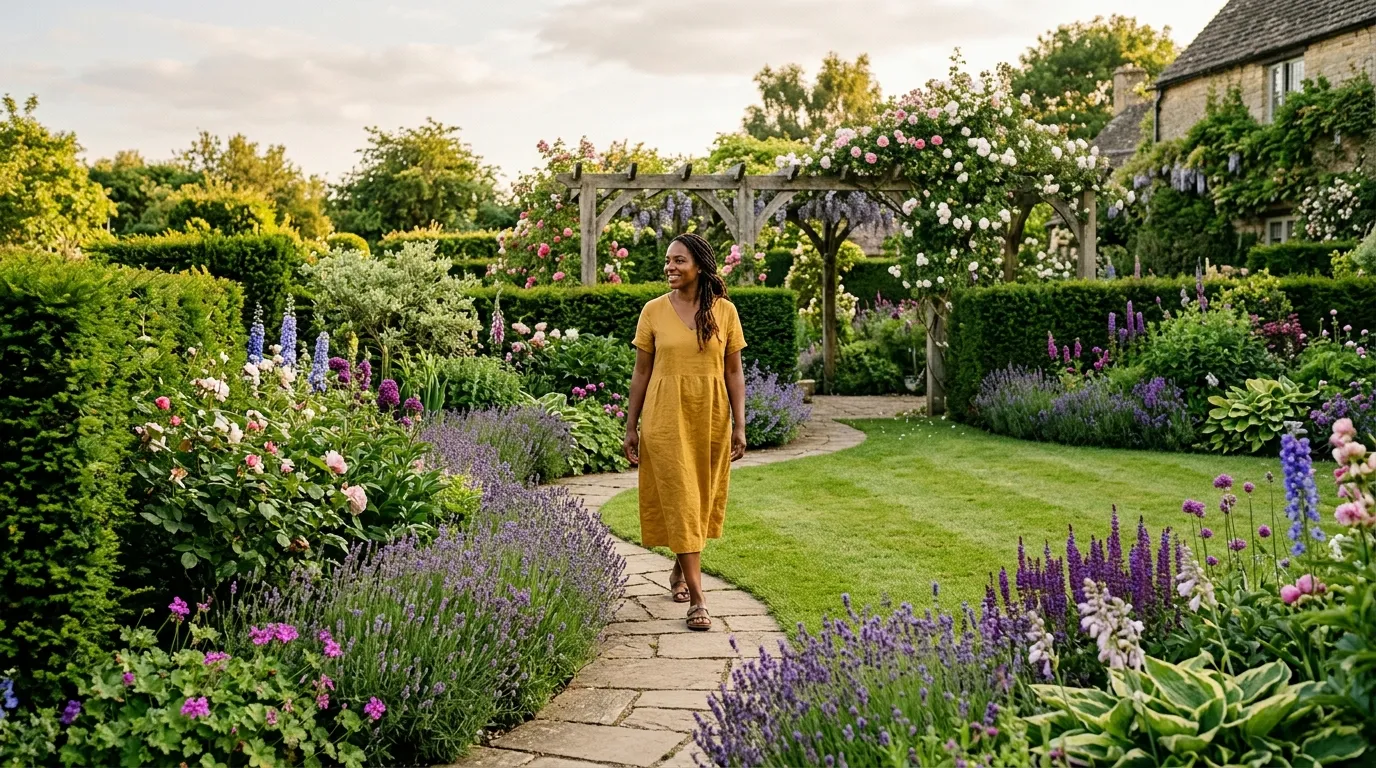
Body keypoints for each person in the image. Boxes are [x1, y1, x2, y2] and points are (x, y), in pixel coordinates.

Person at [622, 232, 747, 631]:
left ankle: (678, 571)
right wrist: (631, 425)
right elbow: (641, 372)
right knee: (680, 496)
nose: (670, 268)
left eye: (679, 261)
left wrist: (740, 425)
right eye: (667, 261)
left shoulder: (725, 312)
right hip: (664, 415)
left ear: (699, 266)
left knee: (699, 500)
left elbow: (733, 372)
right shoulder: (653, 311)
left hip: (709, 417)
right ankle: (698, 598)